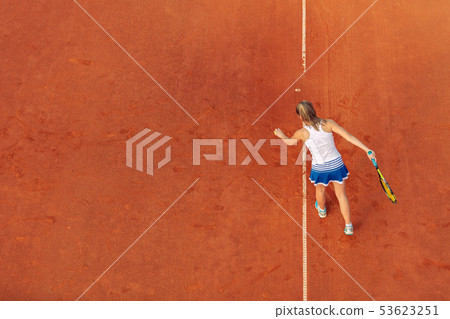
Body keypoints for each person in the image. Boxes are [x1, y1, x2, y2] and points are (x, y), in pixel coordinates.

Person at [274, 100, 376, 235]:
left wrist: (282, 136)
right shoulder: (328, 123)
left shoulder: (302, 133)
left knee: (320, 190)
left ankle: (322, 211)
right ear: (313, 111)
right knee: (341, 195)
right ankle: (348, 225)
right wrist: (367, 149)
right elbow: (349, 137)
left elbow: (291, 142)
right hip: (336, 165)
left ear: (301, 117)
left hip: (320, 168)